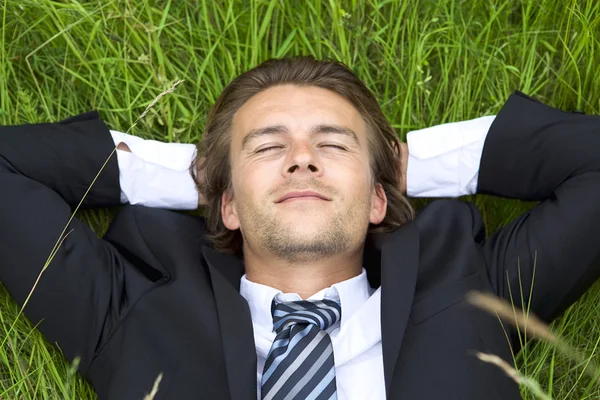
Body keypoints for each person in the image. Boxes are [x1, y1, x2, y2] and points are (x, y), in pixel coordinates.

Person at [1, 55, 599, 400]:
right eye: (267, 147)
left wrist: (407, 163)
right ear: (227, 205)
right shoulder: (133, 308)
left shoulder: (471, 286)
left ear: (377, 198)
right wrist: (194, 175)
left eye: (333, 144)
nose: (301, 158)